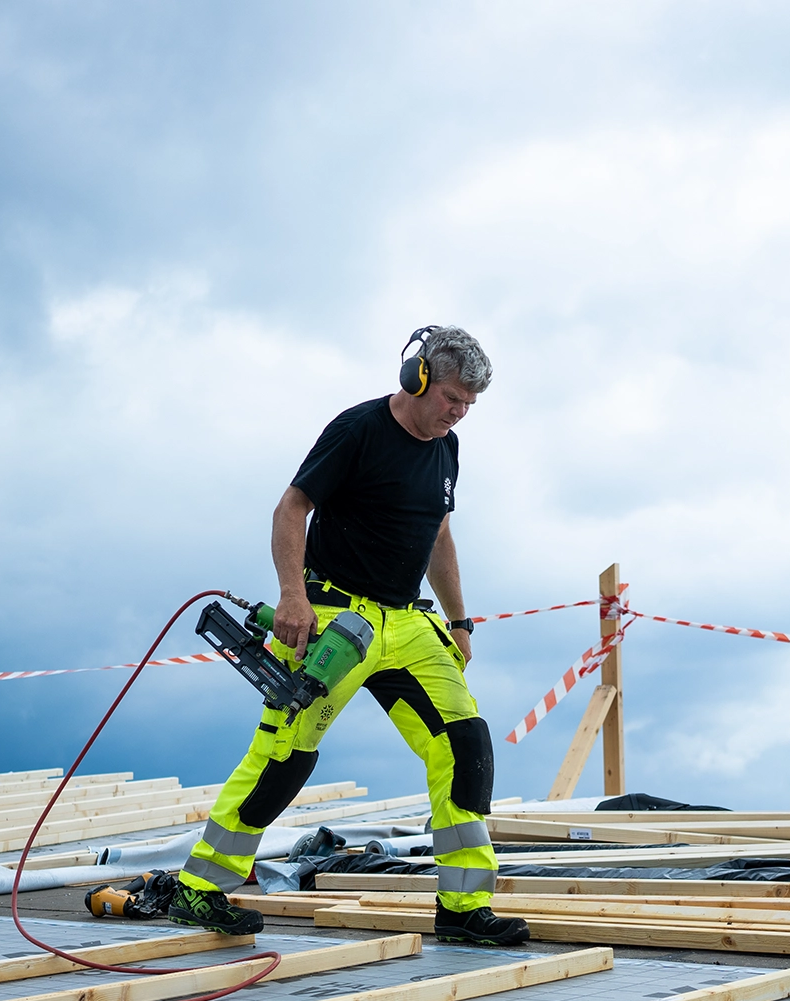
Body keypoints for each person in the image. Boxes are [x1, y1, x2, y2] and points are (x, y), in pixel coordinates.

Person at [168, 325, 530, 946]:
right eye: (450, 397)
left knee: (465, 744)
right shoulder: (357, 430)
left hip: (408, 624)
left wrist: (460, 618)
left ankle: (464, 907)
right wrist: (291, 596)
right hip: (334, 621)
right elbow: (291, 508)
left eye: (469, 404)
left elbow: (438, 535)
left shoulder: (448, 447)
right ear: (416, 379)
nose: (458, 412)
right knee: (284, 758)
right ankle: (199, 890)